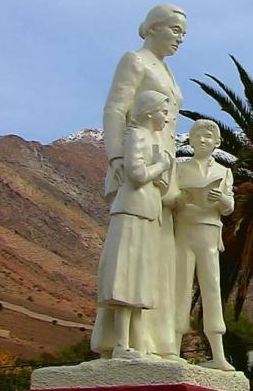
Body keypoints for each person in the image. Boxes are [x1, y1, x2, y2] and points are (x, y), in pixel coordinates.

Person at [93, 4, 185, 359]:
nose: (179, 38)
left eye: (183, 34)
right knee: (131, 254)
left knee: (157, 254)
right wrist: (116, 156)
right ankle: (119, 341)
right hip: (139, 160)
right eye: (175, 30)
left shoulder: (167, 70)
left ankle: (155, 341)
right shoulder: (135, 60)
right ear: (153, 28)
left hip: (162, 167)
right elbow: (116, 108)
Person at [93, 90, 173, 359]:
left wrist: (161, 177)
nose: (166, 117)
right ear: (149, 111)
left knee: (139, 275)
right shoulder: (136, 135)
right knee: (125, 275)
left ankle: (133, 342)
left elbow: (154, 182)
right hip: (132, 210)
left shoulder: (153, 139)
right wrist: (161, 166)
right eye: (163, 111)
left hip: (147, 211)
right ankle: (120, 344)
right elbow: (137, 175)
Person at [174, 120, 235, 371]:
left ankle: (218, 354)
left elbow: (229, 207)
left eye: (208, 136)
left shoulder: (224, 171)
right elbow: (170, 201)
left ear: (216, 142)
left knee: (212, 290)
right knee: (180, 289)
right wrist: (182, 198)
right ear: (190, 140)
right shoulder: (179, 170)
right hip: (184, 233)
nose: (202, 140)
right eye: (197, 135)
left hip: (209, 234)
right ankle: (172, 346)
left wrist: (220, 198)